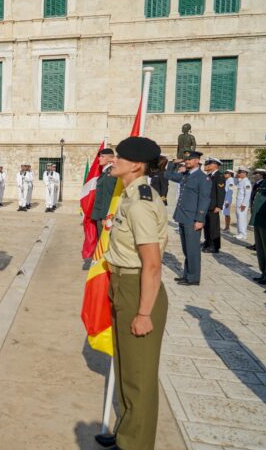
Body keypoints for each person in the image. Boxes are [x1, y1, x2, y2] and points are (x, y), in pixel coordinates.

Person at [97, 136, 168, 450]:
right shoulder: (128, 196)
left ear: (136, 165)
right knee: (126, 368)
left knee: (139, 377)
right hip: (123, 284)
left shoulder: (139, 203)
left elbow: (152, 264)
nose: (113, 160)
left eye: (119, 157)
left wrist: (143, 313)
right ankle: (128, 431)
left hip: (138, 287)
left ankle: (135, 445)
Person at [165, 150, 211, 286]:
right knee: (187, 249)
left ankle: (193, 278)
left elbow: (204, 199)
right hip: (183, 216)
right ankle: (187, 275)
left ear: (197, 161)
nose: (187, 161)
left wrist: (200, 219)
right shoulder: (186, 175)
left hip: (193, 218)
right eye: (186, 159)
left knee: (193, 249)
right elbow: (168, 175)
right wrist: (172, 163)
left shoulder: (203, 178)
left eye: (190, 160)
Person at [201, 158, 225, 253]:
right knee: (207, 225)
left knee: (213, 227)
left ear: (215, 165)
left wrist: (219, 206)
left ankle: (214, 246)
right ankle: (208, 242)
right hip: (207, 205)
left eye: (209, 164)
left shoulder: (219, 176)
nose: (207, 165)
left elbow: (221, 192)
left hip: (213, 206)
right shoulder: (210, 175)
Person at [92, 148, 117, 235]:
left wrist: (104, 217)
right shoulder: (105, 172)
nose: (99, 158)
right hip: (100, 213)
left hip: (103, 215)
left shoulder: (110, 173)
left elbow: (108, 196)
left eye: (102, 156)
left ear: (110, 159)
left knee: (103, 243)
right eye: (100, 156)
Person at [235, 167, 252, 240]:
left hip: (242, 203)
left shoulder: (246, 182)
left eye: (240, 172)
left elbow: (247, 194)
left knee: (242, 218)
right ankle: (240, 232)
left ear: (245, 173)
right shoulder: (241, 181)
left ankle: (243, 233)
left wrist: (244, 204)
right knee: (239, 217)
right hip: (239, 202)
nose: (238, 174)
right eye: (239, 172)